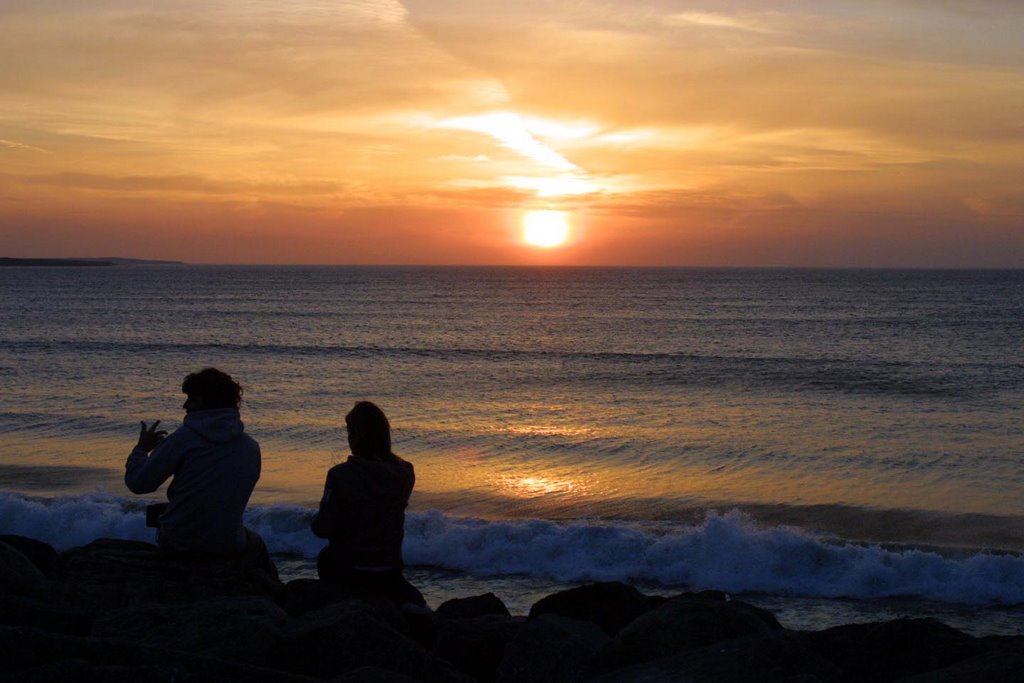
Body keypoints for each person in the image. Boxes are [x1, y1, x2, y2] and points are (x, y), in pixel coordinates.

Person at [125, 367, 275, 577]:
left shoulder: (183, 439)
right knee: (257, 546)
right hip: (227, 544)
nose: (185, 405)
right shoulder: (250, 447)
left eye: (191, 399)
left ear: (205, 402)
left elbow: (139, 483)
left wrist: (141, 450)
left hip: (179, 544)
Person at [311, 401, 424, 606]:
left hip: (350, 568)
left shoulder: (339, 475)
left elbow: (323, 528)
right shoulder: (405, 473)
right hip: (390, 569)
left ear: (356, 435)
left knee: (325, 558)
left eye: (350, 431)